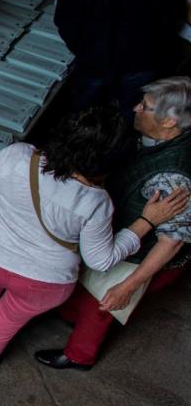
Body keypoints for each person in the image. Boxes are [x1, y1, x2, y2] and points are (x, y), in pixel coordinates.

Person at [0, 106, 188, 378]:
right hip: (46, 281)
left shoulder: (18, 155)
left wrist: (6, 197)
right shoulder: (96, 201)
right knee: (5, 322)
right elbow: (100, 259)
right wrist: (146, 222)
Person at [36, 78, 191, 371]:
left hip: (141, 255)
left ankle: (79, 355)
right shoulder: (157, 139)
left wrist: (128, 285)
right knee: (87, 283)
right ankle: (69, 314)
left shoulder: (175, 178)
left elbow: (172, 241)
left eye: (145, 106)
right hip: (122, 230)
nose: (136, 108)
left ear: (169, 122)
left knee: (103, 304)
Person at [55, 0, 186, 120]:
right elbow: (174, 7)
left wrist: (86, 51)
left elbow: (65, 22)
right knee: (130, 113)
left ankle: (78, 143)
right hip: (143, 60)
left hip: (96, 62)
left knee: (83, 114)